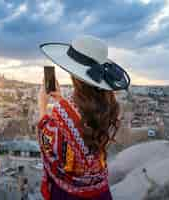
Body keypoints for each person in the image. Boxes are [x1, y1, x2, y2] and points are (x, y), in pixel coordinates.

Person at [37, 35, 131, 200]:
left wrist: (42, 106)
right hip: (100, 191)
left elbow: (48, 146)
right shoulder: (110, 107)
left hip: (70, 193)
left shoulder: (62, 113)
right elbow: (82, 126)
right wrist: (61, 100)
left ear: (75, 75)